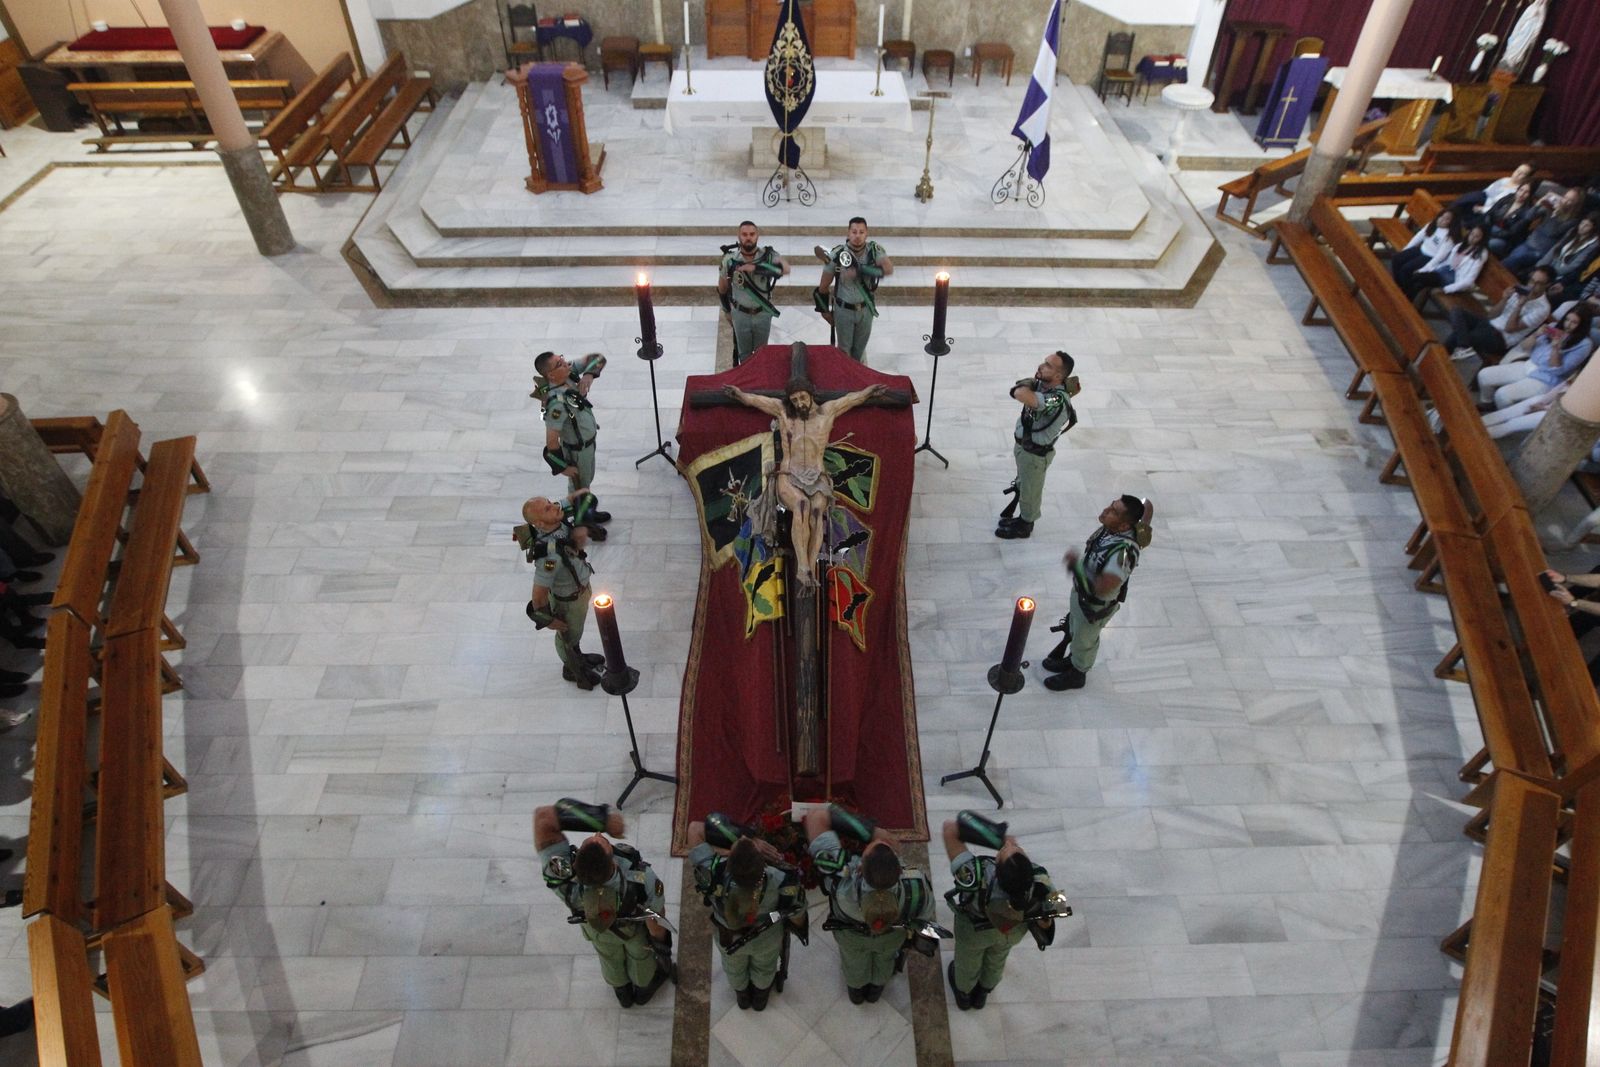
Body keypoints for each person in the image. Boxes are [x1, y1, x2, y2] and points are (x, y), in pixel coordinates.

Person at [723, 378, 887, 585]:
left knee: (817, 514)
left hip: (817, 476)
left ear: (811, 395)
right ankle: (802, 568)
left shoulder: (827, 411)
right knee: (802, 506)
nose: (799, 403)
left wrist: (869, 392)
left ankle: (810, 567)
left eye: (802, 397)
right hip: (789, 475)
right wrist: (739, 394)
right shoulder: (783, 411)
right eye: (794, 399)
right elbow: (756, 400)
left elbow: (850, 400)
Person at [534, 799, 674, 1007]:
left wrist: (600, 819)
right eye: (602, 840)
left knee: (608, 955)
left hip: (596, 929)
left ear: (575, 861)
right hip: (632, 932)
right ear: (613, 863)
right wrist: (663, 949)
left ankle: (622, 992)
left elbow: (543, 818)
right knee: (641, 957)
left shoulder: (564, 880)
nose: (599, 834)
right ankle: (643, 989)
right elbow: (655, 924)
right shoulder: (640, 879)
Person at [805, 804, 935, 1005]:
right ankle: (876, 989)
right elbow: (924, 920)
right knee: (885, 960)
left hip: (852, 937)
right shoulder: (916, 886)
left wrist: (871, 831)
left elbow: (816, 817)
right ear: (900, 871)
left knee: (853, 962)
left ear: (859, 868)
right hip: (891, 937)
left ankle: (856, 991)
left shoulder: (842, 881)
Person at [942, 811, 1066, 1011]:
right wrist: (1046, 920)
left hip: (975, 932)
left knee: (967, 961)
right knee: (998, 957)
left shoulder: (974, 873)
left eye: (1007, 849)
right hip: (1012, 930)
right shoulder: (1040, 879)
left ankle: (964, 993)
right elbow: (1059, 905)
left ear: (997, 870)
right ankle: (984, 991)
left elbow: (950, 829)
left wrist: (996, 838)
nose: (1009, 844)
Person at [687, 813, 808, 1011]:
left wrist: (745, 837)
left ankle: (742, 996)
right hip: (766, 937)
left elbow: (694, 828)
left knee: (733, 968)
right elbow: (797, 913)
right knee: (765, 967)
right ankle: (760, 998)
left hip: (728, 936)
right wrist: (799, 927)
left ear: (728, 859)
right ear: (763, 865)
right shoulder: (782, 880)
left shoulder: (713, 873)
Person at [1042, 495, 1152, 691]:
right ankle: (1073, 659)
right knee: (1075, 630)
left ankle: (1078, 673)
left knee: (1085, 639)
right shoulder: (1112, 528)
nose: (1106, 511)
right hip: (1080, 594)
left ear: (1124, 525)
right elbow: (1146, 512)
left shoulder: (1123, 553)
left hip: (1093, 605)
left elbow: (1104, 586)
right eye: (1111, 505)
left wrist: (1075, 567)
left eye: (1114, 512)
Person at [518, 494, 603, 689]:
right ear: (539, 523)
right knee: (569, 635)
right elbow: (538, 595)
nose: (554, 506)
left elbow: (581, 496)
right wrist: (549, 621)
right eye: (547, 508)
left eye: (550, 502)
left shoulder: (557, 517)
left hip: (579, 591)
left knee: (576, 633)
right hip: (568, 601)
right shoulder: (549, 557)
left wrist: (582, 518)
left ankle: (578, 655)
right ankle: (572, 669)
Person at [997, 351, 1079, 540]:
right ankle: (1020, 519)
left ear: (1059, 376)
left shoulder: (1056, 398)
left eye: (1048, 366)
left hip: (1035, 455)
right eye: (1044, 362)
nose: (1042, 366)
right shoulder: (1043, 385)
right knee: (1023, 485)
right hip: (1025, 449)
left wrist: (1025, 385)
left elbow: (1021, 394)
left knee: (1030, 492)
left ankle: (1025, 525)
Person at [535, 350, 610, 541]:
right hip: (577, 451)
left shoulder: (568, 373)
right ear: (551, 375)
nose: (566, 363)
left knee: (586, 482)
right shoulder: (555, 404)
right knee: (579, 488)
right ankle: (584, 523)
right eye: (559, 364)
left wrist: (588, 374)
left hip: (587, 445)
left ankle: (587, 514)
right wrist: (562, 467)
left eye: (561, 359)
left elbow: (598, 358)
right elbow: (551, 441)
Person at [1476, 305, 1595, 409]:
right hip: (1529, 364)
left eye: (1574, 322)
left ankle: (1502, 414)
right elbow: (1525, 347)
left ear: (1582, 325)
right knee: (1484, 375)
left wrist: (1556, 349)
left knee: (1503, 395)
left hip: (1546, 377)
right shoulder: (1554, 326)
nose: (1567, 324)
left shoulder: (1584, 344)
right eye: (1567, 319)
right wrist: (1536, 334)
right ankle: (1488, 403)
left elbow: (1559, 370)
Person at [815, 217, 893, 363]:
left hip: (865, 309)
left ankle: (859, 378)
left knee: (859, 349)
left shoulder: (874, 251)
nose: (857, 236)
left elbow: (888, 269)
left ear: (867, 234)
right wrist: (824, 310)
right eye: (854, 232)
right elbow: (823, 286)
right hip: (843, 310)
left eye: (861, 232)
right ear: (848, 233)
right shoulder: (837, 254)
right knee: (844, 350)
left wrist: (860, 271)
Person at [1444, 265, 1553, 362]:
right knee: (1457, 311)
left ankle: (1444, 356)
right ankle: (1463, 346)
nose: (1532, 286)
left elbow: (1509, 328)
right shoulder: (1521, 290)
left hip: (1500, 338)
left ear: (1547, 285)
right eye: (1532, 280)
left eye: (1538, 283)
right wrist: (1504, 299)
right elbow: (1491, 315)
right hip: (1488, 324)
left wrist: (1519, 306)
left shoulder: (1543, 308)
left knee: (1457, 335)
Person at [718, 221, 789, 361]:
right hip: (740, 315)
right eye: (744, 234)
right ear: (739, 236)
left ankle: (760, 383)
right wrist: (727, 311)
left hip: (762, 313)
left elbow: (785, 269)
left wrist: (756, 268)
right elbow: (722, 288)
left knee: (762, 355)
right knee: (744, 356)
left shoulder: (768, 256)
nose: (748, 237)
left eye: (752, 234)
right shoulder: (730, 260)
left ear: (758, 236)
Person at [1503, 187, 1585, 276]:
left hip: (1541, 251)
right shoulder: (1550, 208)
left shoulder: (1573, 220)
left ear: (1576, 204)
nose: (1565, 201)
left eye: (1571, 200)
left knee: (1515, 258)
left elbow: (1552, 232)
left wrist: (1555, 213)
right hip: (1529, 243)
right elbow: (1528, 217)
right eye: (1565, 197)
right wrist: (1538, 204)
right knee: (1512, 258)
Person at [1401, 223, 1489, 302]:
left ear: (1482, 239)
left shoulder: (1481, 254)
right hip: (1445, 270)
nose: (1472, 238)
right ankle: (1406, 301)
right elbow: (1445, 262)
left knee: (1419, 278)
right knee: (1418, 281)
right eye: (1472, 234)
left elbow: (1469, 280)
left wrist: (1446, 289)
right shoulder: (1461, 245)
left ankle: (1404, 299)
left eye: (1477, 236)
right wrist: (1425, 269)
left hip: (1454, 278)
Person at [1390, 207, 1460, 292]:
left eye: (1447, 219)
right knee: (1396, 259)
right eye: (1442, 217)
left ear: (1452, 222)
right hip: (1421, 250)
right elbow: (1418, 237)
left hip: (1429, 257)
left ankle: (1406, 291)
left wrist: (1427, 267)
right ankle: (1398, 285)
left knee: (1406, 269)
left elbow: (1440, 256)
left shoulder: (1449, 237)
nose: (1442, 220)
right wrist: (1406, 250)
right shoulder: (1432, 225)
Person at [1538, 213, 1600, 298]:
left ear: (1593, 229)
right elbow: (1555, 249)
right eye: (1582, 223)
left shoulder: (1593, 244)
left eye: (1587, 226)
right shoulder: (1572, 231)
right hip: (1550, 266)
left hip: (1560, 274)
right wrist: (1541, 265)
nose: (1582, 227)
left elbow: (1576, 264)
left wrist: (1551, 273)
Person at [1451, 161, 1535, 219]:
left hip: (1487, 210)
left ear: (1526, 178)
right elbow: (1487, 191)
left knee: (1465, 206)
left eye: (1522, 173)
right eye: (1517, 170)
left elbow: (1499, 208)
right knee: (1470, 198)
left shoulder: (1517, 191)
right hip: (1482, 199)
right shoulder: (1505, 179)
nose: (1517, 174)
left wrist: (1482, 209)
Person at [1486, 181, 1539, 256]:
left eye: (1526, 192)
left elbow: (1512, 232)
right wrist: (1485, 228)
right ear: (1517, 189)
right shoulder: (1509, 197)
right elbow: (1490, 212)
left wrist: (1491, 234)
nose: (1522, 194)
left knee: (1490, 243)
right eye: (1521, 190)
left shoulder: (1528, 210)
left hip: (1506, 239)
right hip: (1492, 228)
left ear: (1530, 195)